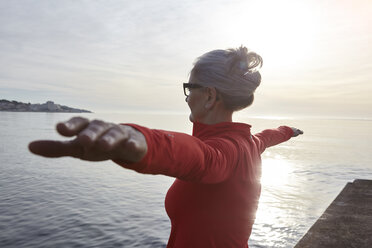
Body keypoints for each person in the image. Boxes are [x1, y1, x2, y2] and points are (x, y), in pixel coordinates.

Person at [29, 46, 303, 248]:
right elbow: (270, 135)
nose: (186, 98)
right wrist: (289, 131)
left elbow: (200, 158)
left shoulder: (225, 151)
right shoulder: (251, 142)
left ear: (209, 95)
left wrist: (140, 141)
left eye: (189, 88)